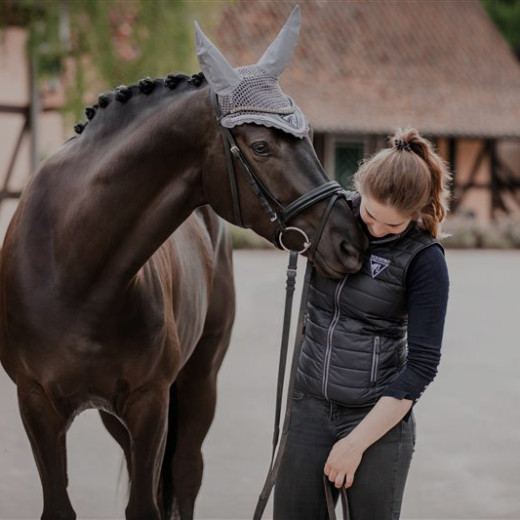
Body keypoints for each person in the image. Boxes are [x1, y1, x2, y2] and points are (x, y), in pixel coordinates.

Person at [273, 128, 451, 520]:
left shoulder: (425, 260)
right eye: (370, 215)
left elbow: (421, 366)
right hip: (308, 410)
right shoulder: (331, 220)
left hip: (376, 421)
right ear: (359, 190)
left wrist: (356, 443)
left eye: (392, 227)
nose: (375, 230)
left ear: (416, 216)